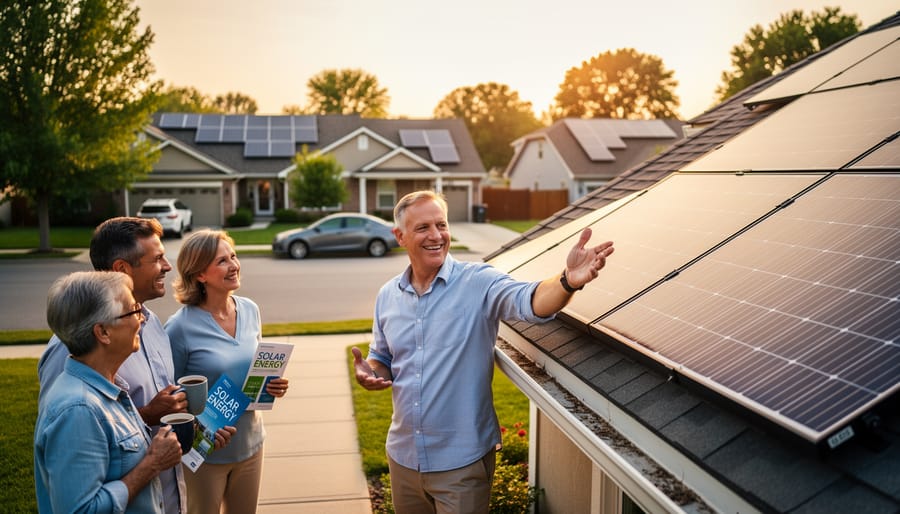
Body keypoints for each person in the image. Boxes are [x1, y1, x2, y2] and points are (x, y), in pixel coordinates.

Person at [352, 190, 614, 514]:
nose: (436, 236)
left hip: (461, 464)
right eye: (423, 228)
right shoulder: (388, 296)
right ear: (400, 236)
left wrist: (567, 281)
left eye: (441, 225)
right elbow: (384, 358)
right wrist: (372, 371)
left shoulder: (478, 282)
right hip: (403, 457)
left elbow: (529, 300)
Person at [37, 217, 232, 514]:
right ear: (121, 269)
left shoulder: (151, 325)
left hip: (166, 498)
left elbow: (140, 426)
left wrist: (194, 433)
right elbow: (74, 434)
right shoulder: (69, 352)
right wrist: (151, 422)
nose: (168, 266)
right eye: (157, 259)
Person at [34, 271, 183, 513]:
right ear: (103, 332)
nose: (141, 320)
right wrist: (152, 464)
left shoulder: (108, 390)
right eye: (133, 310)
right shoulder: (78, 410)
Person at [165, 229, 289, 514]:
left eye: (233, 256)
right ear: (199, 274)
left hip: (252, 443)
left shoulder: (250, 309)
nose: (234, 265)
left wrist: (273, 385)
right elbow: (169, 396)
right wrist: (199, 428)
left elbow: (252, 370)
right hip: (207, 454)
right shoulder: (179, 328)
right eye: (222, 261)